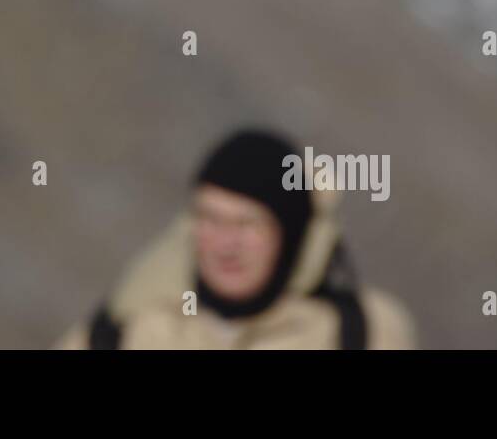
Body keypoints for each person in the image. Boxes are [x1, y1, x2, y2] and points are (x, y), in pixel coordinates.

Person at [56, 130, 416, 349]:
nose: (226, 244)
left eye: (248, 224)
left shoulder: (360, 333)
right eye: (210, 219)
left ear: (289, 236)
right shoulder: (127, 330)